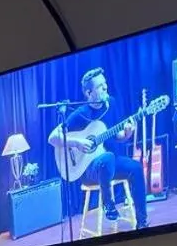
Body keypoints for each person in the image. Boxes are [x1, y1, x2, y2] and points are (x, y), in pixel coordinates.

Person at [49, 67, 148, 228]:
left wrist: (128, 133)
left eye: (105, 83)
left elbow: (119, 136)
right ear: (89, 93)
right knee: (106, 158)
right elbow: (52, 138)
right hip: (89, 170)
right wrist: (77, 143)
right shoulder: (80, 114)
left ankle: (142, 223)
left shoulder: (111, 104)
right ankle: (108, 204)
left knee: (135, 167)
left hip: (111, 162)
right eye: (100, 86)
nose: (105, 87)